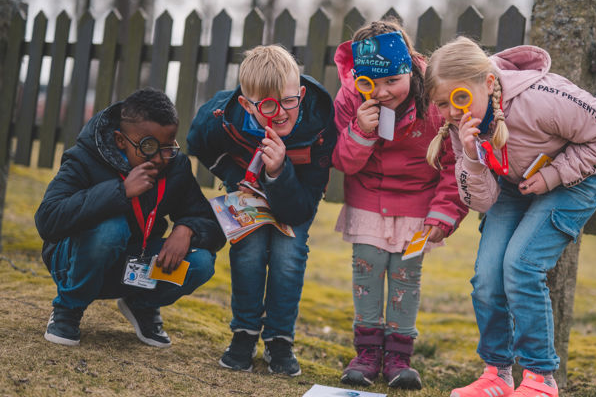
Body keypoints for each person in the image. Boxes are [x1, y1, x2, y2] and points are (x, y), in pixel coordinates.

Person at [425, 37, 596, 397]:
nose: (452, 112)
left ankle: (539, 378)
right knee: (487, 276)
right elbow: (482, 201)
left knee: (521, 264)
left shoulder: (540, 98)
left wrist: (553, 175)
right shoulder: (460, 126)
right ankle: (497, 374)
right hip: (514, 184)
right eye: (441, 104)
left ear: (487, 83)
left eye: (459, 98)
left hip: (575, 180)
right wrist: (469, 156)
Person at [332, 21, 469, 390]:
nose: (381, 92)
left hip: (417, 208)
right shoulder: (349, 99)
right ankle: (366, 354)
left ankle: (398, 357)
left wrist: (443, 213)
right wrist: (360, 131)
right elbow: (343, 162)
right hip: (368, 203)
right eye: (370, 83)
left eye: (392, 81)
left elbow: (455, 162)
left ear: (408, 67)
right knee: (367, 273)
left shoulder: (435, 100)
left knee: (406, 278)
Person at [35, 88, 225, 348]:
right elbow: (48, 219)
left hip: (131, 266)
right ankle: (68, 309)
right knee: (111, 230)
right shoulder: (84, 158)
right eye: (148, 147)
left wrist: (187, 228)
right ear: (120, 140)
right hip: (72, 263)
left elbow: (211, 224)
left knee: (201, 262)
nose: (160, 157)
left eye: (169, 146)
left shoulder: (175, 166)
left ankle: (142, 304)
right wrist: (120, 191)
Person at [187, 45, 336, 375]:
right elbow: (197, 142)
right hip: (246, 191)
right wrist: (235, 176)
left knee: (288, 254)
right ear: (245, 102)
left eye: (289, 101)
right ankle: (244, 333)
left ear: (300, 93)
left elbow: (300, 210)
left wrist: (277, 172)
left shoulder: (320, 125)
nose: (280, 112)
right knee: (248, 250)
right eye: (267, 105)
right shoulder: (221, 117)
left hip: (296, 195)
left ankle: (279, 340)